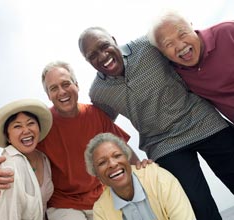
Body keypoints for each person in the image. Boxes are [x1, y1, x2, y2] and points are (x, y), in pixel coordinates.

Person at [78, 27, 234, 220]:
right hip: (164, 145)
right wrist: (133, 161)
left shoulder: (148, 46)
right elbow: (103, 126)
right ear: (87, 61)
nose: (102, 56)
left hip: (201, 120)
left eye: (104, 46)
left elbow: (187, 51)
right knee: (199, 208)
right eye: (92, 55)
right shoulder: (99, 92)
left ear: (113, 39)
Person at [0, 61, 147, 220]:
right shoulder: (42, 125)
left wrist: (144, 174)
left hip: (102, 197)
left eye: (66, 84)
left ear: (77, 85)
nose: (61, 92)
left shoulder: (96, 115)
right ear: (48, 95)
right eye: (54, 88)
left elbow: (123, 149)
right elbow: (17, 151)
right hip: (63, 204)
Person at [147, 9, 234, 123]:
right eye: (169, 44)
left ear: (192, 26)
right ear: (161, 52)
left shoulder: (227, 31)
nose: (180, 45)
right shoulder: (176, 73)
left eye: (182, 34)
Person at [84, 132, 196, 220]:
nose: (112, 164)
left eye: (117, 156)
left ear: (128, 158)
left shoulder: (159, 179)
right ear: (96, 175)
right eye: (102, 162)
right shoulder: (101, 210)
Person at [0, 99, 53, 220]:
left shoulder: (43, 158)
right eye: (17, 126)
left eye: (30, 123)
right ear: (8, 137)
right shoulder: (9, 166)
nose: (26, 130)